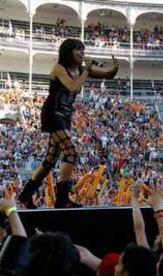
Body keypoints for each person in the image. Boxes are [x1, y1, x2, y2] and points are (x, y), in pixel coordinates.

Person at [19, 38, 119, 209]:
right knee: (71, 153)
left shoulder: (80, 69)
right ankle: (62, 199)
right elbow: (73, 87)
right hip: (52, 114)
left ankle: (26, 195)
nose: (82, 53)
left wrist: (115, 68)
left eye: (83, 49)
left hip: (64, 116)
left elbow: (108, 75)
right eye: (78, 49)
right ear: (68, 52)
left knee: (49, 161)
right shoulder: (59, 68)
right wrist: (87, 70)